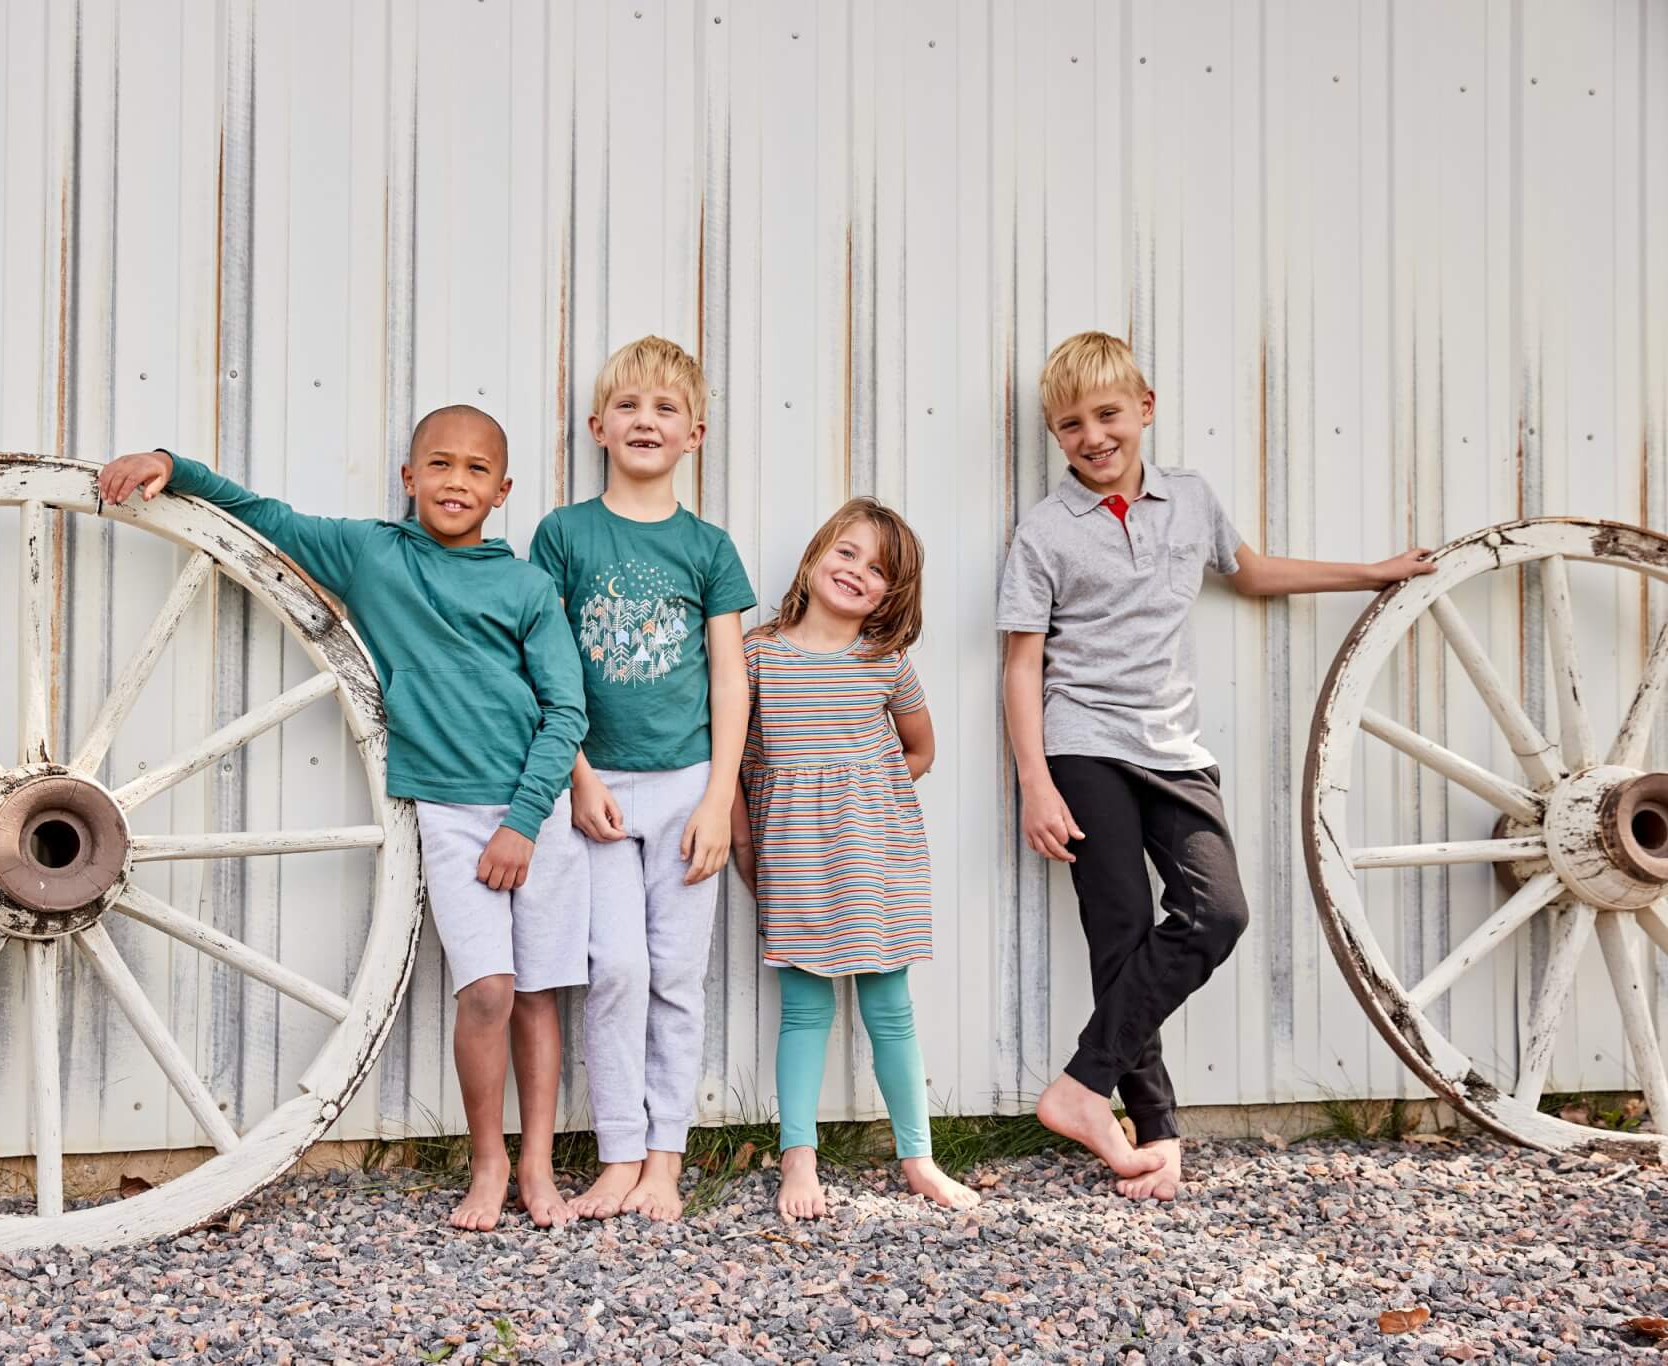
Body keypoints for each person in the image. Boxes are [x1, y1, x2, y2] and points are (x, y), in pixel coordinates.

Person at [97, 405, 588, 1231]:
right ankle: (490, 1161)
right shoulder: (372, 555)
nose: (456, 482)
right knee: (489, 992)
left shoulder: (528, 588)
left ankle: (537, 1164)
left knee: (538, 996)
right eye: (440, 464)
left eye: (476, 470)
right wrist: (171, 465)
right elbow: (266, 518)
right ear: (409, 477)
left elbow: (566, 711)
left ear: (502, 491)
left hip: (536, 816)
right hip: (451, 812)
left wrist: (526, 820)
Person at [996, 330, 1435, 1199]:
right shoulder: (1044, 531)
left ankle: (1082, 1085)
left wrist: (1370, 573)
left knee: (1216, 913)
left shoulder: (1190, 500)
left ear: (1145, 408)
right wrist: (1035, 784)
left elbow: (1252, 571)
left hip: (1174, 750)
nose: (1093, 437)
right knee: (1121, 931)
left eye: (1109, 415)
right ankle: (1156, 1133)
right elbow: (1021, 663)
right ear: (1055, 434)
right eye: (1071, 425)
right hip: (1084, 744)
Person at [530, 336, 756, 1222]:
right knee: (617, 968)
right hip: (598, 790)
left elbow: (730, 678)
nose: (646, 421)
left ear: (694, 434)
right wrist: (578, 775)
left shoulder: (709, 548)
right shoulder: (564, 534)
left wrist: (718, 799)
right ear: (598, 426)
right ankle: (619, 1152)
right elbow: (545, 664)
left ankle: (665, 1159)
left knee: (676, 977)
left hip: (687, 788)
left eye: (666, 408)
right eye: (628, 406)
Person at [731, 498, 980, 1222]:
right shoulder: (757, 656)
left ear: (889, 596)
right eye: (847, 553)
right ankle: (798, 1157)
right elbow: (737, 759)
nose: (857, 572)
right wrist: (747, 844)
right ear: (815, 556)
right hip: (794, 854)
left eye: (878, 570)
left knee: (889, 1006)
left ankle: (918, 1158)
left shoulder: (884, 663)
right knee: (805, 1008)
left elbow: (920, 748)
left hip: (876, 853)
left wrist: (868, 794)